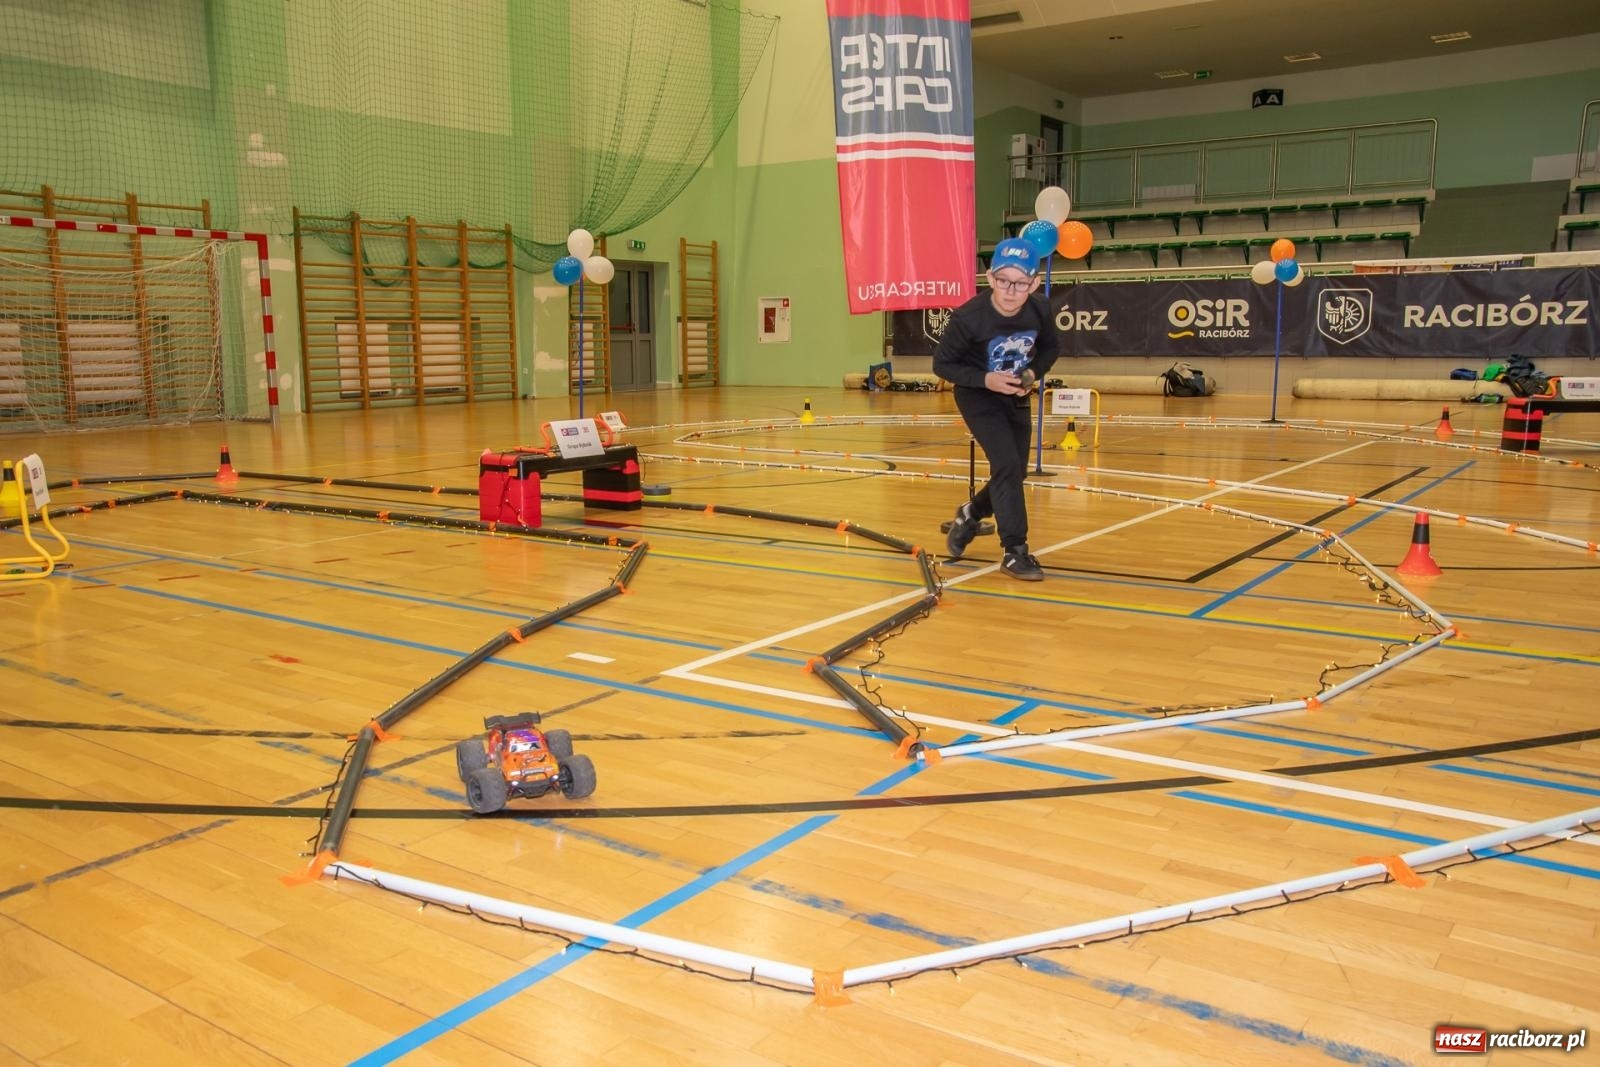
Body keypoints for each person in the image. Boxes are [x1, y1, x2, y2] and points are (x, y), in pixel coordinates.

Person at [932, 237, 1060, 581]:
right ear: (990, 278)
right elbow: (943, 365)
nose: (1010, 290)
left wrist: (1033, 373)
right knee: (1005, 465)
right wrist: (985, 379)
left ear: (1033, 283)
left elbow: (1050, 349)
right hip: (978, 395)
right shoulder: (968, 318)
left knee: (1015, 472)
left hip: (1016, 395)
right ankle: (1015, 551)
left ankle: (971, 512)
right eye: (1003, 281)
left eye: (1020, 283)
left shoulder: (1041, 310)